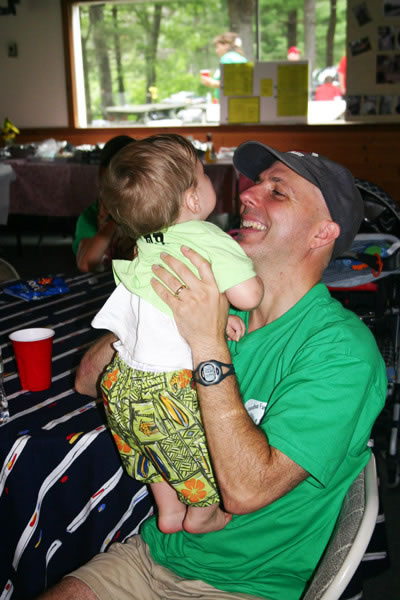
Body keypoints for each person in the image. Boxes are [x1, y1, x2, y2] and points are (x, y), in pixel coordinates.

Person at [41, 142, 386, 600]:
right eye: (255, 183)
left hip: (248, 586)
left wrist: (206, 341)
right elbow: (88, 379)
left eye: (276, 191)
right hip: (152, 554)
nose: (246, 195)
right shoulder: (210, 298)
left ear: (322, 233)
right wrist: (156, 310)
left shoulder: (342, 351)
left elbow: (245, 492)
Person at [91, 134, 263, 535]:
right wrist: (246, 285)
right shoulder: (208, 237)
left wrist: (219, 318)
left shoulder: (146, 242)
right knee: (197, 454)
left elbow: (165, 304)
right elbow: (249, 295)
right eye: (203, 175)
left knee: (151, 448)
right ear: (193, 199)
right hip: (169, 389)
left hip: (121, 381)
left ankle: (168, 510)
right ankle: (202, 514)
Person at [72, 135, 135, 272]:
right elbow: (86, 264)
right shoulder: (90, 216)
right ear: (102, 174)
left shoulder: (152, 211)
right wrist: (116, 219)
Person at [200, 32, 247, 100]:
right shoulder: (240, 58)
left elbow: (232, 84)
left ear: (226, 45)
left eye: (217, 47)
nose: (216, 51)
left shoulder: (227, 58)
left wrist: (211, 82)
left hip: (230, 102)